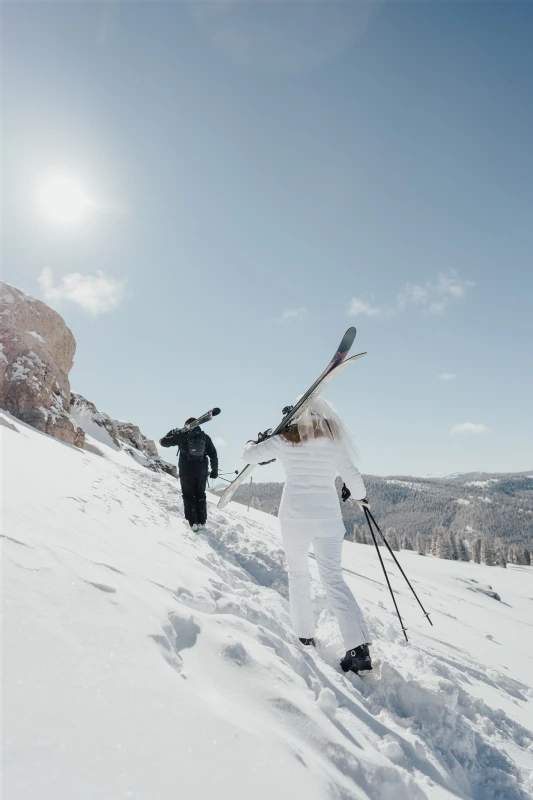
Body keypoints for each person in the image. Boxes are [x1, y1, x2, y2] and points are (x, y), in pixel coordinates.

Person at [242, 397, 372, 674]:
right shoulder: (334, 441)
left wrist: (253, 443)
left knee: (298, 574)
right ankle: (359, 648)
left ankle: (304, 634)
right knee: (334, 578)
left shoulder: (285, 439)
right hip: (328, 518)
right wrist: (361, 497)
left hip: (295, 517)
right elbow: (353, 477)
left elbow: (249, 457)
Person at [160, 419, 218, 532]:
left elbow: (163, 442)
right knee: (200, 495)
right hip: (201, 471)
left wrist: (172, 433)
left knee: (188, 495)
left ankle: (192, 523)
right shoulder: (205, 437)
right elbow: (213, 455)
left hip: (186, 471)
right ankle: (202, 522)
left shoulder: (181, 436)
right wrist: (214, 470)